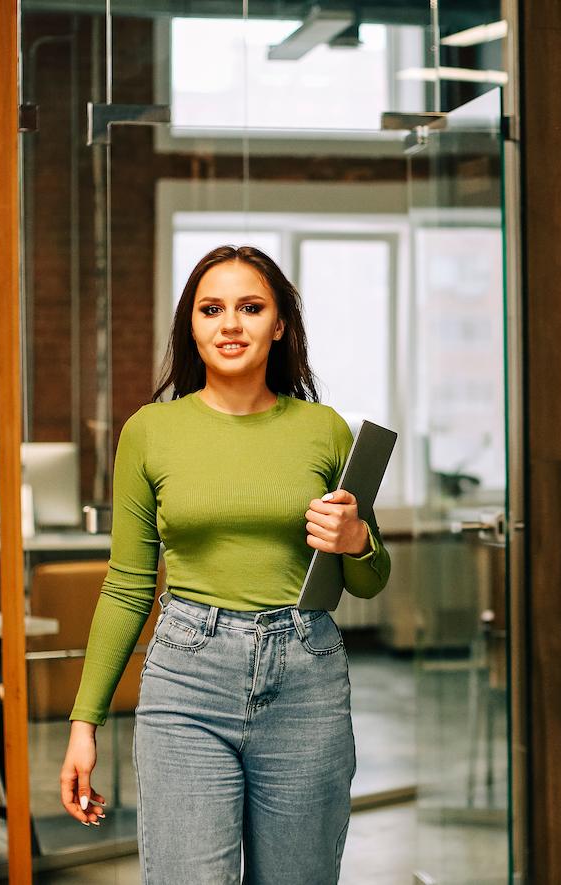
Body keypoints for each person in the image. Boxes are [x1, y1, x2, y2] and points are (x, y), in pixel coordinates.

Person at [58, 244, 391, 884]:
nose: (230, 324)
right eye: (212, 309)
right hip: (186, 679)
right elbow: (127, 586)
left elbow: (370, 582)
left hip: (306, 677)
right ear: (192, 325)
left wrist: (357, 541)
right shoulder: (150, 433)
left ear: (280, 325)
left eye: (250, 307)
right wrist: (85, 722)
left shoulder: (324, 431)